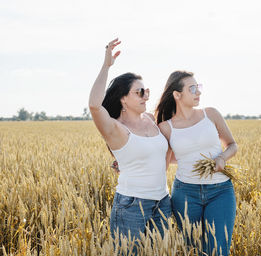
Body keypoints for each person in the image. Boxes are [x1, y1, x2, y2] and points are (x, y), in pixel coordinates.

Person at [88, 38, 172, 250]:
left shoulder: (151, 121)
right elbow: (94, 105)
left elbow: (163, 155)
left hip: (162, 201)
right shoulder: (116, 129)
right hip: (132, 206)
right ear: (123, 99)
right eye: (139, 92)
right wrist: (106, 66)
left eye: (147, 91)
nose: (146, 96)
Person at [155, 71, 238, 256]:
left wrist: (222, 158)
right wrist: (126, 165)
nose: (198, 92)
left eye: (198, 87)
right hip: (185, 194)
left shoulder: (211, 115)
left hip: (220, 191)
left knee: (218, 250)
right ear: (177, 95)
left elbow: (232, 145)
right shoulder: (166, 127)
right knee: (193, 250)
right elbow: (162, 162)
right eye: (192, 88)